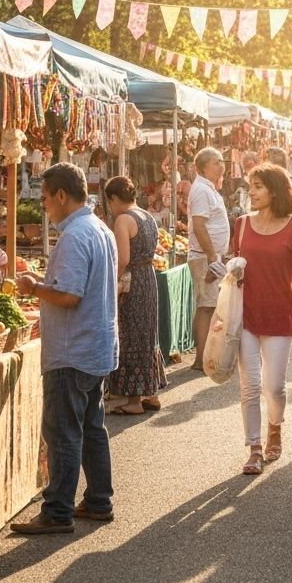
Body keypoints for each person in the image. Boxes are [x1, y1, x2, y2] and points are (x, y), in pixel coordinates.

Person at [12, 163, 118, 535]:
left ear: (61, 195)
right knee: (91, 427)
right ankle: (99, 499)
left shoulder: (76, 235)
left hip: (73, 349)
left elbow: (69, 296)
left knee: (63, 432)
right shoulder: (99, 228)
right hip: (95, 346)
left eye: (44, 198)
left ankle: (58, 510)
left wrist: (33, 287)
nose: (43, 206)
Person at [232, 164, 292, 476]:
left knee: (274, 386)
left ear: (275, 191)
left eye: (258, 186)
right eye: (251, 186)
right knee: (250, 384)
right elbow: (235, 266)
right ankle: (254, 447)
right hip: (245, 314)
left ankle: (275, 428)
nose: (252, 192)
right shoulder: (241, 225)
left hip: (279, 313)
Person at [105, 175, 165, 415]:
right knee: (147, 335)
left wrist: (113, 281)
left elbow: (123, 259)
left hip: (132, 282)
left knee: (130, 335)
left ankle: (134, 401)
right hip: (148, 278)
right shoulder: (147, 216)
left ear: (114, 198)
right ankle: (151, 392)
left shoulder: (123, 219)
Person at [187, 147, 231, 371]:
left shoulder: (209, 189)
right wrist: (213, 256)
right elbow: (199, 225)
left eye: (222, 161)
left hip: (211, 256)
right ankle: (201, 358)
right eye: (216, 162)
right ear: (203, 166)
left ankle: (204, 356)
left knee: (210, 305)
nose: (221, 165)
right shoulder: (201, 190)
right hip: (205, 257)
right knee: (206, 306)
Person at [229, 152, 259, 220]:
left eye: (251, 164)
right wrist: (235, 208)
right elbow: (232, 199)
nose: (250, 168)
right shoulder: (241, 183)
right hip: (244, 217)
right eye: (247, 166)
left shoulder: (261, 182)